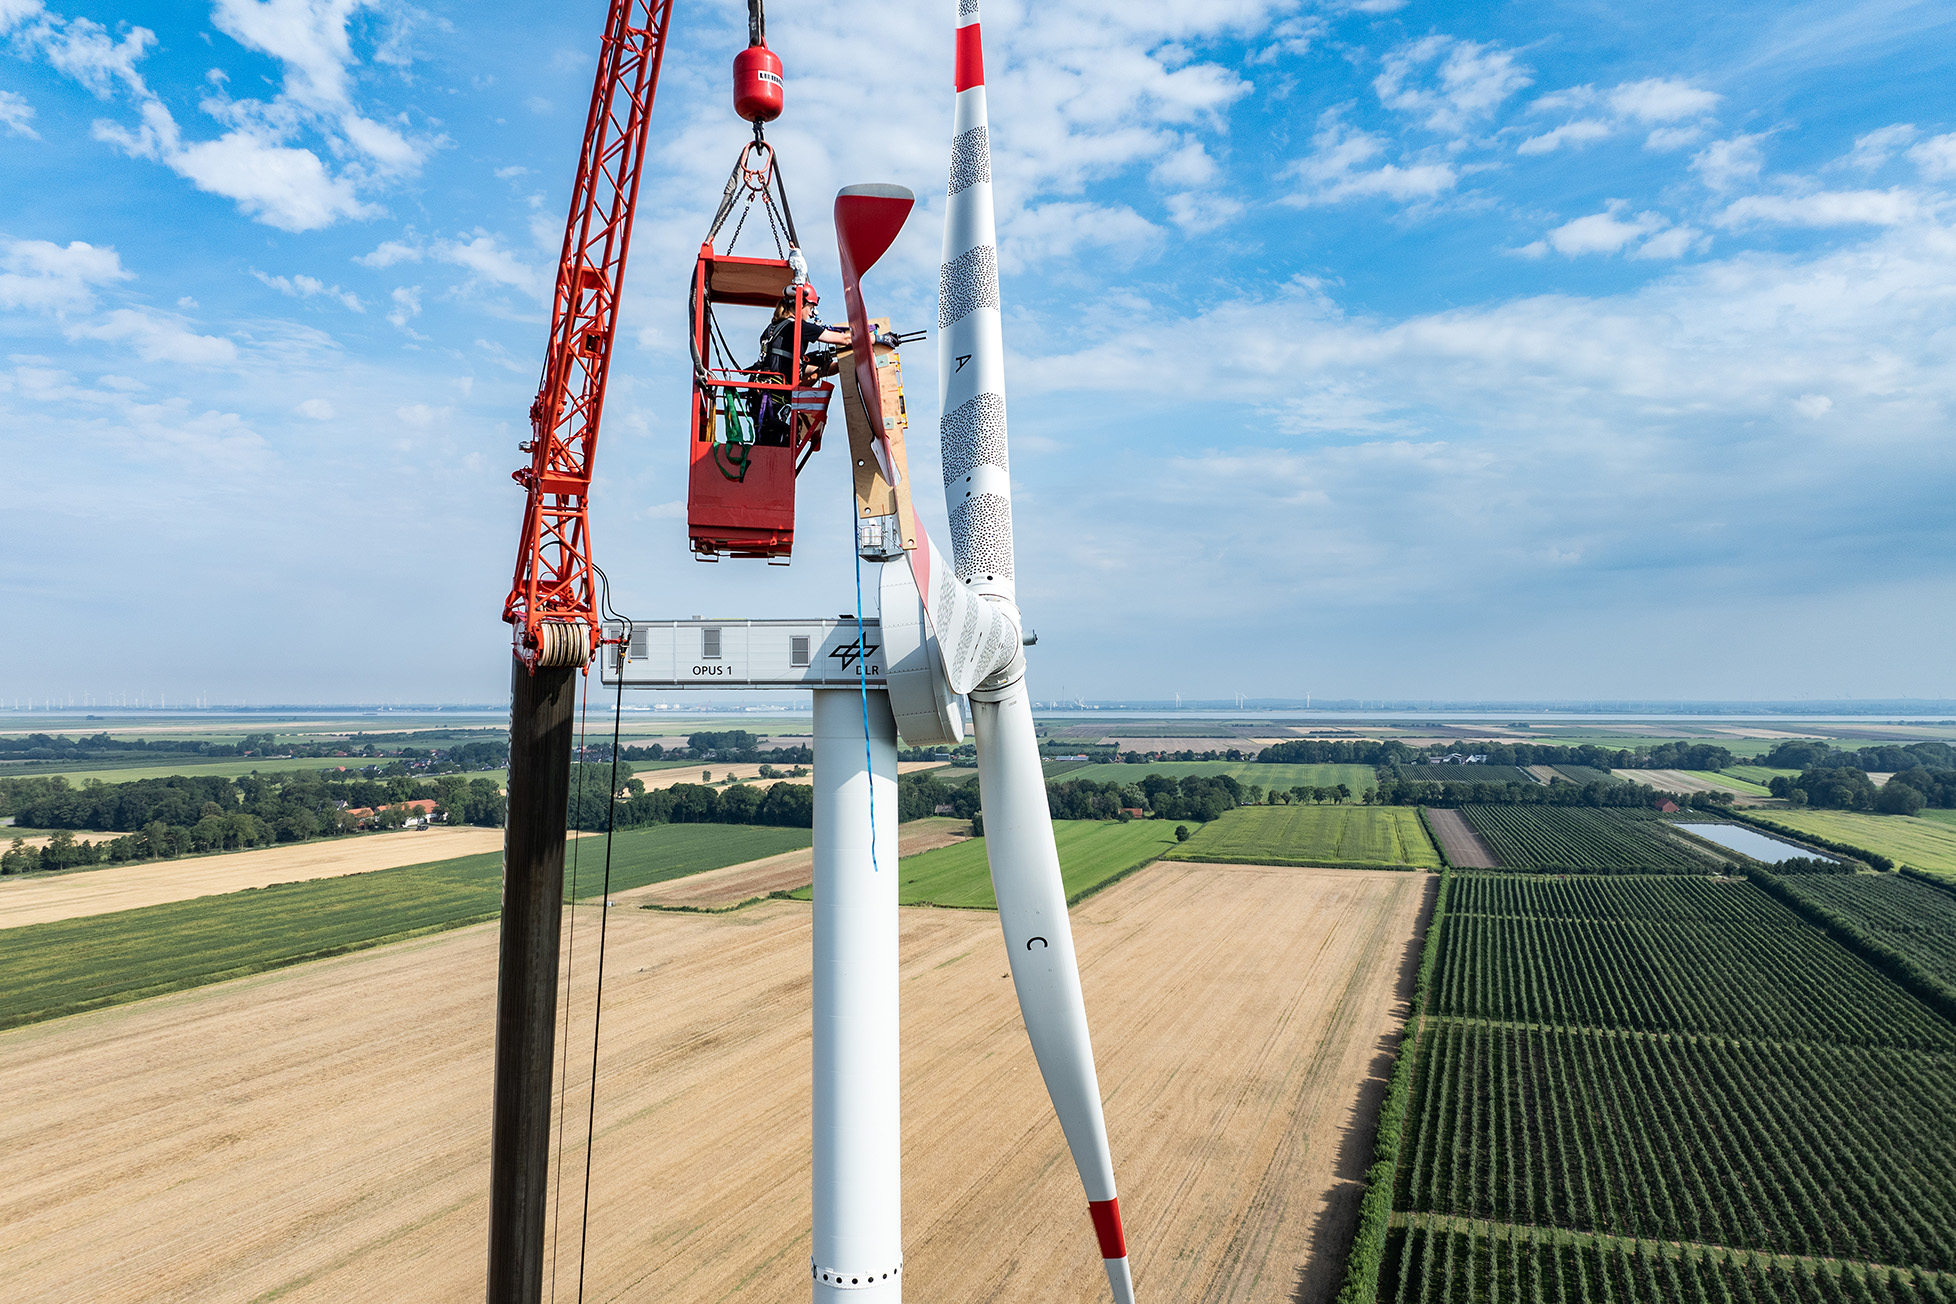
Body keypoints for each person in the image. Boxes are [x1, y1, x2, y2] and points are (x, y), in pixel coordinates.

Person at [750, 287, 897, 445]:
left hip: (763, 397)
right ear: (800, 305)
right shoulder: (798, 327)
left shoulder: (771, 330)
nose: (812, 314)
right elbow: (846, 339)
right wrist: (878, 338)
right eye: (811, 308)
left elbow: (794, 366)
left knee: (768, 442)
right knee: (778, 444)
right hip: (773, 398)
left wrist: (839, 364)